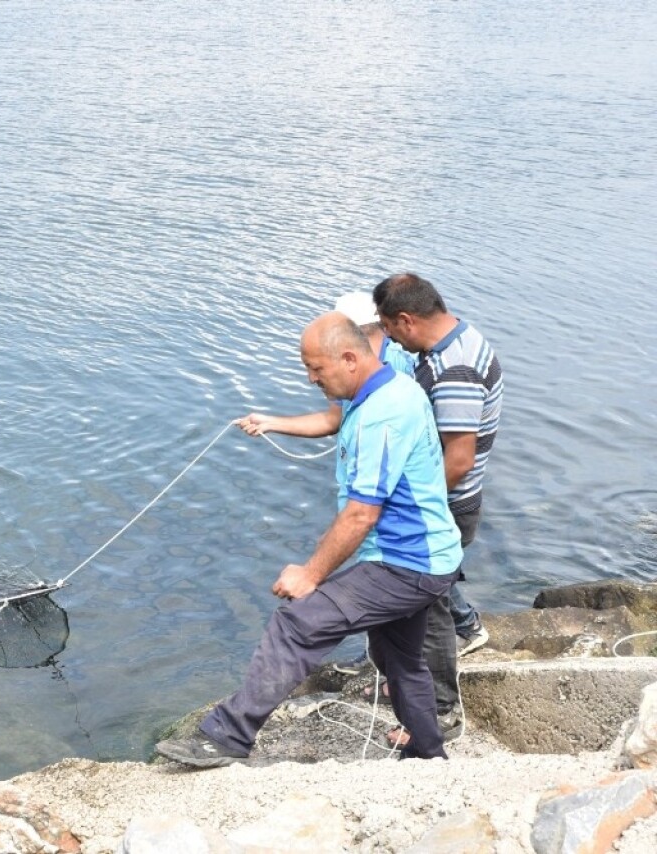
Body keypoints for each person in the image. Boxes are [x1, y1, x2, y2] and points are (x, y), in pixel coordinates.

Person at [154, 312, 462, 767]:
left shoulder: (384, 413)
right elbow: (338, 436)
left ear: (351, 358)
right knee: (399, 656)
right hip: (426, 555)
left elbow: (361, 514)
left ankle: (226, 737)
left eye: (316, 368)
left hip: (408, 562)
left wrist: (311, 574)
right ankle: (426, 754)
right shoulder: (382, 388)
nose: (310, 377)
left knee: (297, 624)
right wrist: (275, 422)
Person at [373, 272, 503, 745]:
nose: (387, 337)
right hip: (445, 503)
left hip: (445, 506)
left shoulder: (455, 368)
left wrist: (407, 501)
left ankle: (440, 712)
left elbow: (460, 459)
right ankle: (423, 674)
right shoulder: (453, 341)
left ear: (406, 320)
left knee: (427, 609)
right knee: (436, 595)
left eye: (388, 327)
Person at [233, 291, 416, 441]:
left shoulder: (398, 366)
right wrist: (269, 423)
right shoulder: (343, 372)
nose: (311, 379)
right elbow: (333, 420)